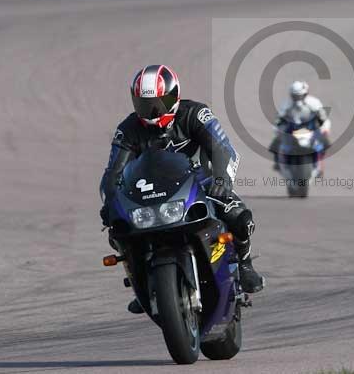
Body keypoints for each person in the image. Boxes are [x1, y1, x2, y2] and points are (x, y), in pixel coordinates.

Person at [99, 65, 265, 313]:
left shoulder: (195, 114)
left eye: (159, 103)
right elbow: (112, 172)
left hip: (200, 184)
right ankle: (143, 283)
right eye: (146, 104)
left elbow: (222, 149)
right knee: (118, 231)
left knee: (239, 217)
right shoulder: (128, 129)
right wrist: (110, 201)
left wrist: (222, 181)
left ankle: (244, 264)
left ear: (174, 96)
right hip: (151, 195)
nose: (153, 111)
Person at [269, 81, 331, 172]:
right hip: (292, 127)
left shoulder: (314, 103)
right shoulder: (287, 104)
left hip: (311, 127)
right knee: (275, 144)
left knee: (325, 143)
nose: (297, 98)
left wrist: (325, 129)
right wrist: (277, 129)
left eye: (299, 96)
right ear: (291, 95)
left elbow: (323, 117)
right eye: (295, 96)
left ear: (305, 94)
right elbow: (278, 118)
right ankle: (278, 163)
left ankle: (320, 163)